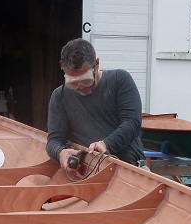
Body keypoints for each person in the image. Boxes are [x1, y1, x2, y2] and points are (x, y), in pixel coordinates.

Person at [46, 37, 145, 169]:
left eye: (85, 80)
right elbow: (54, 140)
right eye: (73, 83)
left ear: (96, 64)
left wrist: (106, 144)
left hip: (129, 170)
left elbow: (132, 123)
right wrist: (60, 153)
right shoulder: (60, 96)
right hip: (87, 173)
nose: (80, 87)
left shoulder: (119, 81)